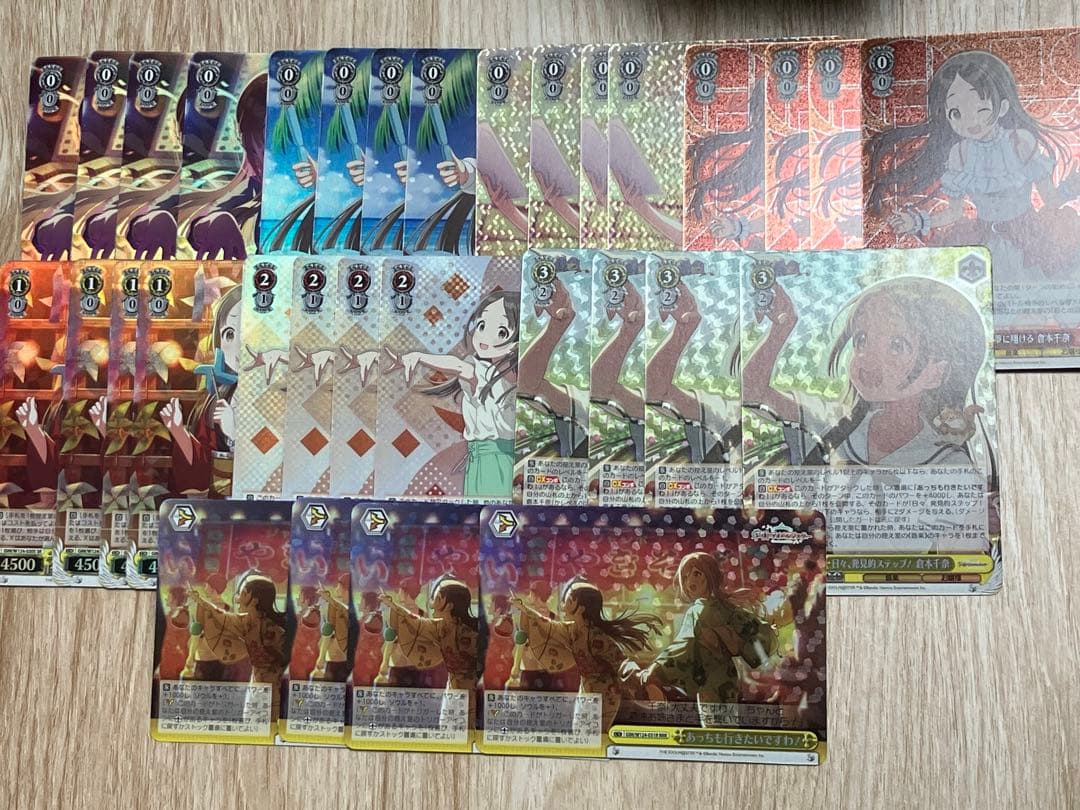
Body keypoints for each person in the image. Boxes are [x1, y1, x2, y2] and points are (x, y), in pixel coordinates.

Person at [866, 50, 1080, 284]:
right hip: (983, 241)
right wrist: (916, 222)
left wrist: (1071, 188)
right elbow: (954, 212)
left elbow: (1050, 200)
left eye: (981, 108)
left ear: (1002, 107)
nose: (971, 121)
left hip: (1030, 239)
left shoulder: (1020, 142)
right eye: (956, 113)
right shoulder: (959, 154)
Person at [385, 290, 518, 498]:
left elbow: (458, 366)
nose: (485, 337)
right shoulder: (484, 372)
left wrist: (420, 357)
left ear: (516, 342)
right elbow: (458, 366)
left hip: (494, 460)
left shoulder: (496, 377)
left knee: (490, 509)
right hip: (484, 458)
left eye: (501, 332)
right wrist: (419, 357)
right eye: (482, 326)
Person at [640, 552, 777, 726]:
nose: (690, 581)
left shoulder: (707, 610)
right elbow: (685, 645)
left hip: (712, 680)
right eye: (686, 576)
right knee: (722, 727)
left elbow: (684, 645)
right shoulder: (713, 608)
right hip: (720, 679)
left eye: (697, 574)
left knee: (716, 728)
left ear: (710, 575)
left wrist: (657, 670)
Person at [511, 579, 662, 732]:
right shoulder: (571, 630)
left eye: (569, 601)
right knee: (580, 734)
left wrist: (645, 681)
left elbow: (622, 664)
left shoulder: (598, 638)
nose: (563, 605)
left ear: (581, 608)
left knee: (594, 736)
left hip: (605, 694)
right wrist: (523, 608)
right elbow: (546, 625)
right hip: (585, 691)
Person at [160, 285, 241, 497]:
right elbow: (200, 470)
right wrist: (178, 430)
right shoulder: (216, 400)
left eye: (249, 331)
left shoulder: (278, 396)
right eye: (230, 334)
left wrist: (233, 433)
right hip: (220, 506)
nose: (239, 344)